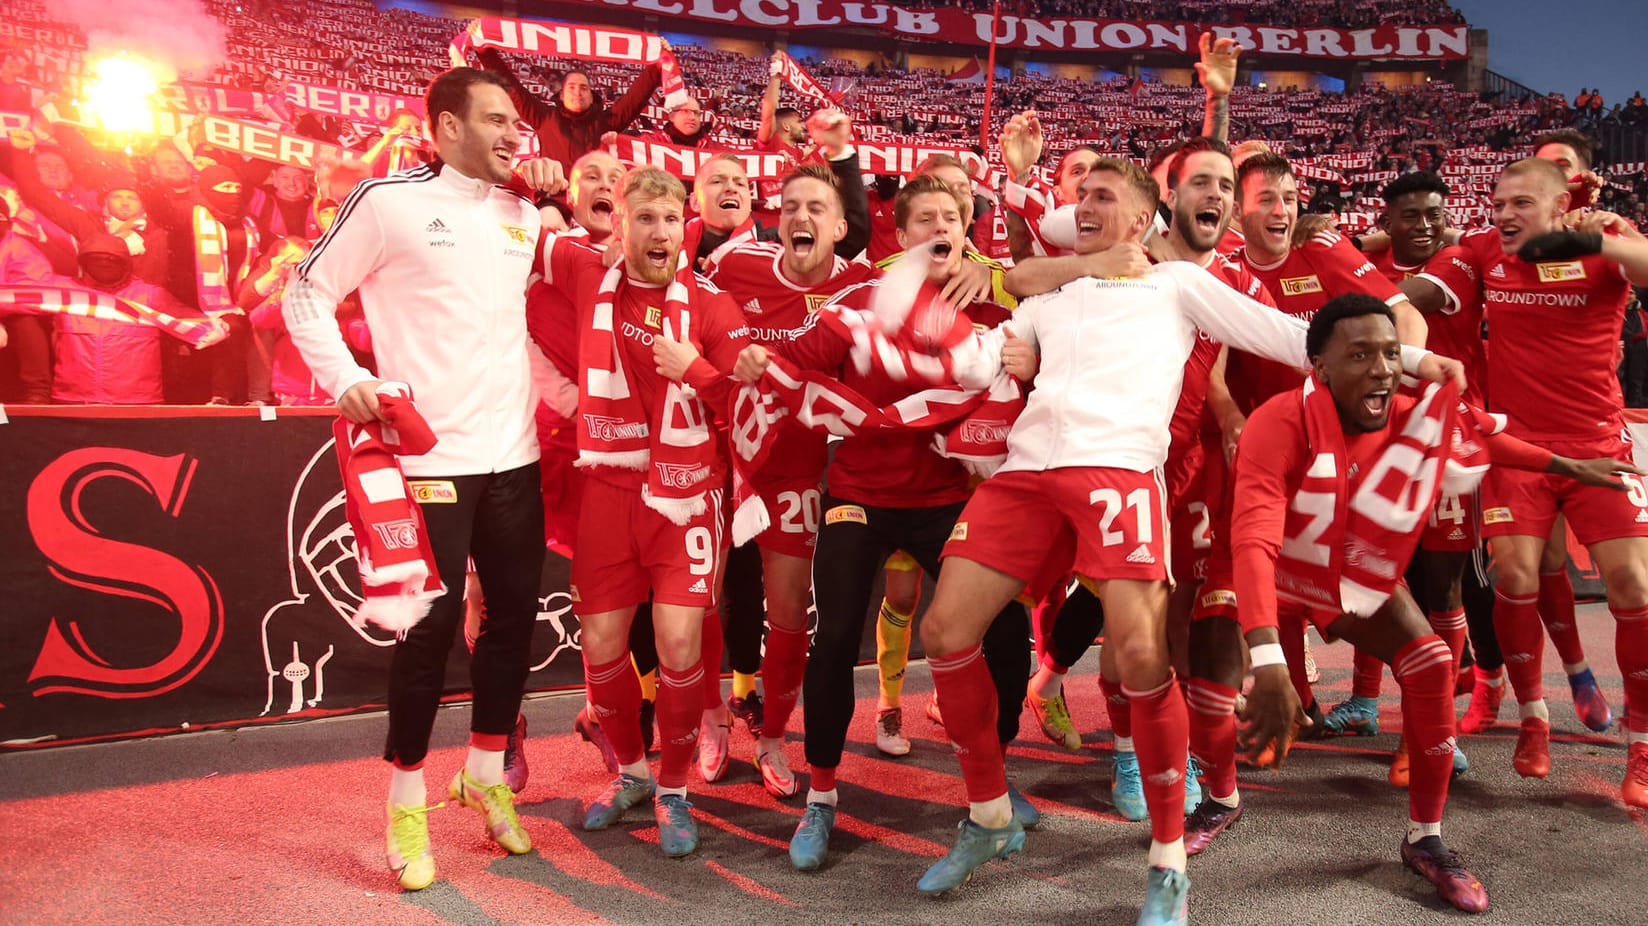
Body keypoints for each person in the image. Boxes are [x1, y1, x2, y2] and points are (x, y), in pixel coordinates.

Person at [905, 156, 1463, 923]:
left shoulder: (1179, 287)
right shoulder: (1053, 289)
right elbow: (983, 353)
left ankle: (1169, 864)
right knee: (945, 630)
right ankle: (990, 817)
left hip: (1121, 473)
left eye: (1104, 197)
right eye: (1081, 197)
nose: (1087, 205)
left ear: (1141, 222)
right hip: (1027, 472)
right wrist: (953, 339)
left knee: (1141, 655)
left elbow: (1291, 336)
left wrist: (1411, 360)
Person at [1233, 293, 1636, 913]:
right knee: (1202, 687)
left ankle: (1426, 838)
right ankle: (1208, 803)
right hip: (1268, 572)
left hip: (1343, 576)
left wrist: (1569, 465)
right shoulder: (1277, 423)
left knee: (1429, 662)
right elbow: (1254, 542)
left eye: (1392, 354)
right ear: (1319, 366)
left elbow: (1485, 442)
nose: (1382, 369)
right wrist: (1266, 657)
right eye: (1360, 354)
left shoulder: (1405, 413)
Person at [283, 66, 568, 892]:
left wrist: (554, 190)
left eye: (519, 123)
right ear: (445, 127)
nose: (515, 136)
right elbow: (307, 293)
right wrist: (348, 381)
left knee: (513, 621)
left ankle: (484, 775)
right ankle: (406, 804)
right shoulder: (387, 202)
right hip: (427, 464)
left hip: (513, 455)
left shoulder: (523, 212)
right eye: (496, 121)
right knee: (429, 637)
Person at [731, 174, 1039, 874]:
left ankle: (993, 776)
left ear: (965, 232)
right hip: (858, 497)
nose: (939, 227)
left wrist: (1031, 355)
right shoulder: (854, 303)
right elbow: (791, 367)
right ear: (900, 235)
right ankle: (823, 795)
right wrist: (758, 362)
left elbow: (1044, 344)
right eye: (924, 217)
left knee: (1006, 628)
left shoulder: (989, 307)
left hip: (942, 499)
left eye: (952, 218)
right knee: (834, 638)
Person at [539, 165, 751, 860]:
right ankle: (632, 772)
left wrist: (694, 367)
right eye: (645, 219)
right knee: (600, 646)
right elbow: (512, 235)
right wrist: (535, 197)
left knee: (679, 646)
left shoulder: (715, 308)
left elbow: (753, 416)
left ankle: (676, 788)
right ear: (619, 226)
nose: (659, 232)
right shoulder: (583, 272)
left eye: (670, 220)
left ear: (684, 225)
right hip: (607, 488)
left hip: (688, 496)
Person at [1455, 157, 1648, 803]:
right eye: (1497, 203)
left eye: (1521, 204)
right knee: (1514, 574)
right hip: (1517, 448)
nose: (1505, 215)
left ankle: (1642, 745)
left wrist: (1595, 238)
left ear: (1560, 205)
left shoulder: (1605, 236)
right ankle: (1533, 717)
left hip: (1599, 442)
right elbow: (1418, 270)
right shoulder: (1485, 250)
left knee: (1633, 583)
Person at [704, 162, 875, 798]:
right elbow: (687, 315)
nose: (800, 216)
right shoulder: (732, 266)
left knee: (787, 616)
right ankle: (711, 716)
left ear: (839, 227)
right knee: (698, 601)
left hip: (799, 468)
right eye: (790, 206)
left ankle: (773, 736)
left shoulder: (863, 283)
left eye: (815, 208)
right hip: (721, 461)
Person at [475, 48, 663, 175]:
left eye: (583, 88)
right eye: (571, 87)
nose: (577, 92)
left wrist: (658, 64)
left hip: (592, 201)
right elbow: (512, 88)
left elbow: (635, 98)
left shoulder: (607, 121)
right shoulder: (544, 117)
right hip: (552, 198)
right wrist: (484, 52)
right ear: (562, 94)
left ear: (592, 96)